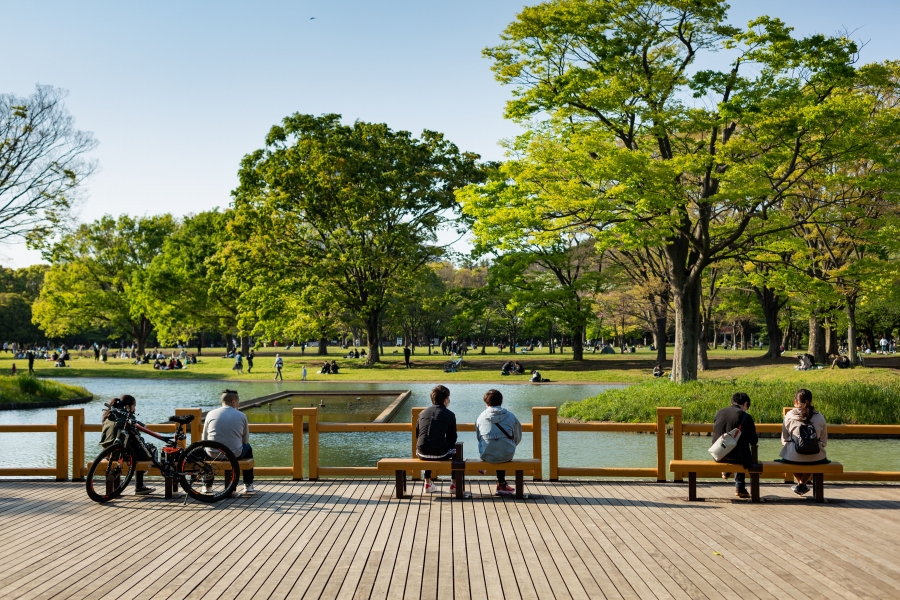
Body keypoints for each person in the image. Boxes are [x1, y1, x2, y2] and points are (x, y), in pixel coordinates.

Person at [99, 395, 154, 495]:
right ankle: (139, 486)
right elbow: (136, 438)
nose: (135, 409)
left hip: (106, 453)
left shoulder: (109, 415)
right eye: (134, 406)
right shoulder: (127, 417)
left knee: (137, 448)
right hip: (119, 454)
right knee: (145, 449)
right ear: (128, 406)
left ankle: (115, 489)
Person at [778, 388, 828, 496]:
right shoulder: (820, 417)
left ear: (796, 401)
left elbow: (784, 439)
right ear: (811, 401)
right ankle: (801, 484)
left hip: (793, 457)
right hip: (816, 457)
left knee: (789, 455)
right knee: (814, 459)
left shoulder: (789, 416)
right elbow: (824, 441)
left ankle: (800, 484)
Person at [203, 389, 254, 493]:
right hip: (234, 454)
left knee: (205, 450)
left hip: (212, 453)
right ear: (233, 402)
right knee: (248, 448)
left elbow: (204, 439)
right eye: (238, 401)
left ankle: (207, 485)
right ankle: (248, 485)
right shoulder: (242, 415)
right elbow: (245, 441)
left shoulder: (210, 414)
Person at [711, 392, 759, 498]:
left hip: (718, 454)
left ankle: (727, 471)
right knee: (741, 449)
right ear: (745, 404)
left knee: (737, 445)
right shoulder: (745, 416)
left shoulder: (719, 413)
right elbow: (753, 441)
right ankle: (740, 487)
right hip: (736, 457)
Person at [475, 389, 522, 496]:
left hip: (486, 454)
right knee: (502, 448)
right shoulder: (511, 416)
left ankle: (499, 480)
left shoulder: (480, 417)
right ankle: (502, 484)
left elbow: (479, 437)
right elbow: (518, 436)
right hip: (507, 454)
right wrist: (511, 444)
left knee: (492, 447)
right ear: (501, 401)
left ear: (486, 403)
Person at [416, 385, 458, 493]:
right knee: (457, 449)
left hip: (421, 452)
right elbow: (452, 437)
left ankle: (427, 482)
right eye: (448, 397)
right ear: (445, 399)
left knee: (427, 445)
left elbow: (418, 434)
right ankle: (454, 484)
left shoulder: (422, 413)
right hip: (440, 453)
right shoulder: (449, 414)